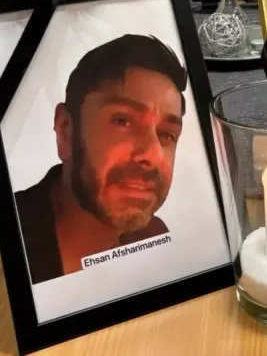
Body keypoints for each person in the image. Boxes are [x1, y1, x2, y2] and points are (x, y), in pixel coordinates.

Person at [15, 34, 188, 284]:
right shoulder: (13, 244)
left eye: (166, 134)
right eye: (122, 121)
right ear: (65, 129)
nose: (153, 154)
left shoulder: (153, 237)